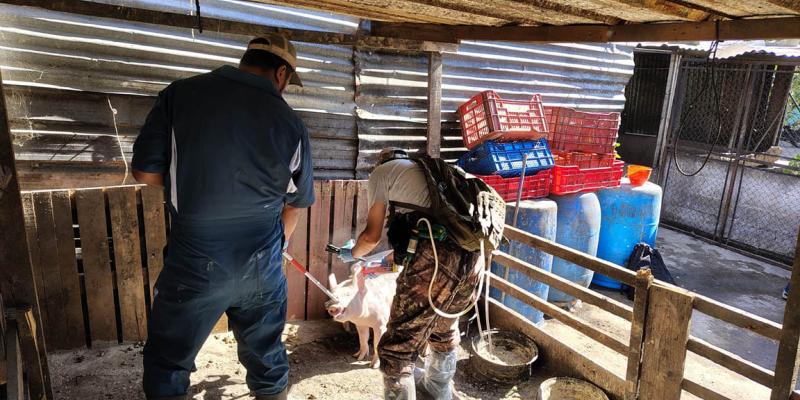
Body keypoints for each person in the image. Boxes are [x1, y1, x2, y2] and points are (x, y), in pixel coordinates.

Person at [131, 33, 314, 400]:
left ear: (247, 60)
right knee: (267, 358)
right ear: (281, 73)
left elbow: (145, 173)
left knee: (168, 361)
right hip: (262, 264)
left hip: (196, 261)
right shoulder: (291, 123)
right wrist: (276, 247)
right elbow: (297, 201)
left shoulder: (181, 95)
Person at [337, 148, 484, 400]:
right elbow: (408, 246)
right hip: (474, 258)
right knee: (443, 329)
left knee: (398, 349)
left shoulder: (382, 174)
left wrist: (354, 253)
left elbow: (371, 237)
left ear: (381, 163)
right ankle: (439, 393)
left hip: (435, 258)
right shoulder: (435, 173)